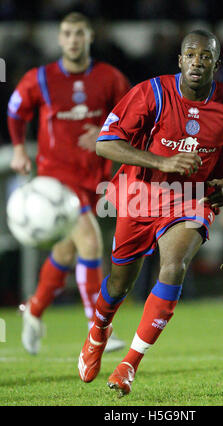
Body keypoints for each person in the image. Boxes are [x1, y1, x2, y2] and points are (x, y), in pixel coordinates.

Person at [77, 29, 223, 397]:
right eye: (191, 55)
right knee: (119, 285)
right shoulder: (152, 93)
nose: (198, 61)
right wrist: (162, 161)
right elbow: (105, 143)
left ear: (217, 64)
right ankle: (99, 330)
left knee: (174, 265)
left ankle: (130, 363)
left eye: (206, 56)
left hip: (192, 197)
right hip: (140, 194)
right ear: (180, 60)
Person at [8, 12, 131, 354]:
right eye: (67, 33)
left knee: (65, 251)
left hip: (94, 179)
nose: (73, 39)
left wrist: (106, 134)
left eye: (79, 33)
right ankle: (98, 329)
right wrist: (19, 149)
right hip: (55, 182)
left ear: (89, 37)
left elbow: (131, 115)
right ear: (60, 39)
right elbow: (16, 109)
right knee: (91, 244)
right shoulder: (42, 79)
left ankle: (33, 311)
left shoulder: (109, 77)